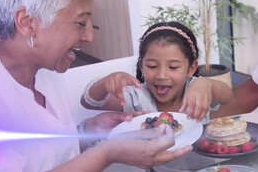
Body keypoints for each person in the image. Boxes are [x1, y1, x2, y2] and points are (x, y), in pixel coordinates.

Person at [0, 0, 192, 172]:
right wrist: (105, 153)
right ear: (28, 22)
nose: (90, 36)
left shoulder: (45, 67)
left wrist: (89, 133)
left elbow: (43, 155)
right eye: (81, 23)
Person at [80, 21, 233, 123]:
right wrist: (105, 84)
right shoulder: (137, 97)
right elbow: (89, 102)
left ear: (191, 68)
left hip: (200, 169)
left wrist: (206, 84)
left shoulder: (196, 91)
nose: (161, 75)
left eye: (173, 67)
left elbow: (227, 96)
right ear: (141, 66)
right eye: (152, 66)